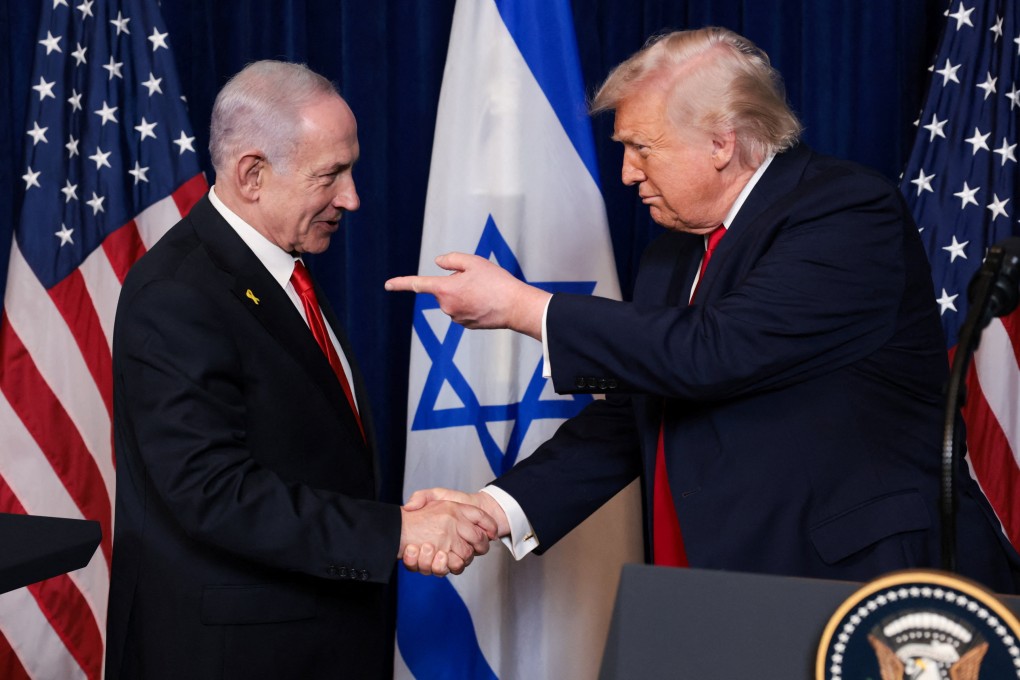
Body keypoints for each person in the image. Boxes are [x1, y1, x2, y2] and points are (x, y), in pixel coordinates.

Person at [387, 27, 1020, 591]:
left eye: (642, 147)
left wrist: (525, 307)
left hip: (851, 581)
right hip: (709, 586)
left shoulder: (845, 210)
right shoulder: (672, 255)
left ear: (722, 141)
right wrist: (493, 510)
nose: (629, 173)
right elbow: (632, 418)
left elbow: (717, 352)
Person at [106, 60, 495, 680]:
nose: (352, 197)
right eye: (330, 175)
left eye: (351, 170)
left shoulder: (281, 265)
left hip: (315, 640)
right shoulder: (176, 293)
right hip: (230, 658)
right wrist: (392, 530)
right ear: (253, 175)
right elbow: (211, 491)